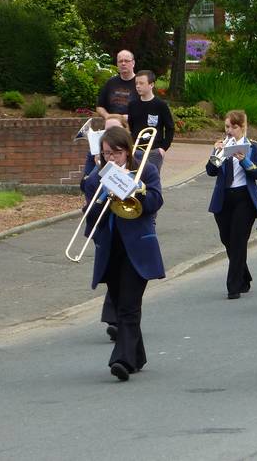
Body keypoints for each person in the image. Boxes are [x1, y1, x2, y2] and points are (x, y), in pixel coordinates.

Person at [81, 126, 164, 381]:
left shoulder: (146, 170)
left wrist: (137, 189)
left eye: (116, 153)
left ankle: (122, 360)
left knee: (129, 306)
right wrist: (101, 196)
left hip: (138, 247)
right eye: (106, 153)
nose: (111, 158)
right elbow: (90, 216)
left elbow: (155, 202)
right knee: (119, 304)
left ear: (127, 151)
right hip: (110, 248)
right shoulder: (96, 177)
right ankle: (136, 355)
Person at [206, 110, 257, 298]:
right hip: (224, 198)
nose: (229, 131)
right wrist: (216, 153)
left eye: (233, 127)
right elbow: (211, 172)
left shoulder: (253, 147)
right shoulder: (222, 146)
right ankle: (244, 275)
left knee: (238, 241)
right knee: (227, 239)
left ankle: (234, 287)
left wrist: (244, 160)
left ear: (242, 127)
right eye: (227, 127)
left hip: (244, 198)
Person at [127, 69, 174, 167]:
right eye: (136, 83)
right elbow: (131, 126)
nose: (138, 86)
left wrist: (163, 149)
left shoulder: (161, 105)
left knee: (152, 179)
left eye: (141, 83)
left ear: (151, 85)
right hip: (136, 150)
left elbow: (170, 128)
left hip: (154, 151)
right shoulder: (132, 105)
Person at [96, 49, 138, 124]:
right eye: (120, 61)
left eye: (126, 61)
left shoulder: (140, 83)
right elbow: (99, 107)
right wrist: (107, 117)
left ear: (133, 63)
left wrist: (132, 117)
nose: (123, 64)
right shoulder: (110, 82)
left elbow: (148, 107)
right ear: (117, 64)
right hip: (112, 126)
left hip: (133, 126)